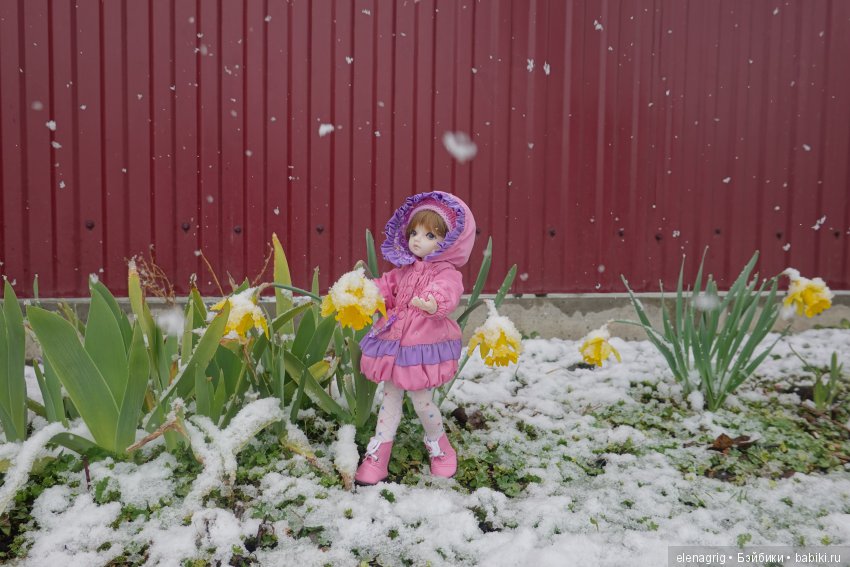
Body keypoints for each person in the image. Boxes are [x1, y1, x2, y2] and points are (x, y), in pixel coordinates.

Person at [354, 191, 476, 486]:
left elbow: (448, 291)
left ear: (449, 241)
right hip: (395, 344)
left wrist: (433, 302)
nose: (418, 240)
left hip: (420, 346)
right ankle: (379, 455)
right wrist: (367, 293)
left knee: (422, 402)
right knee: (390, 399)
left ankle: (440, 445)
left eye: (430, 235)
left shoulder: (446, 272)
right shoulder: (404, 270)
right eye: (414, 233)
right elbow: (387, 286)